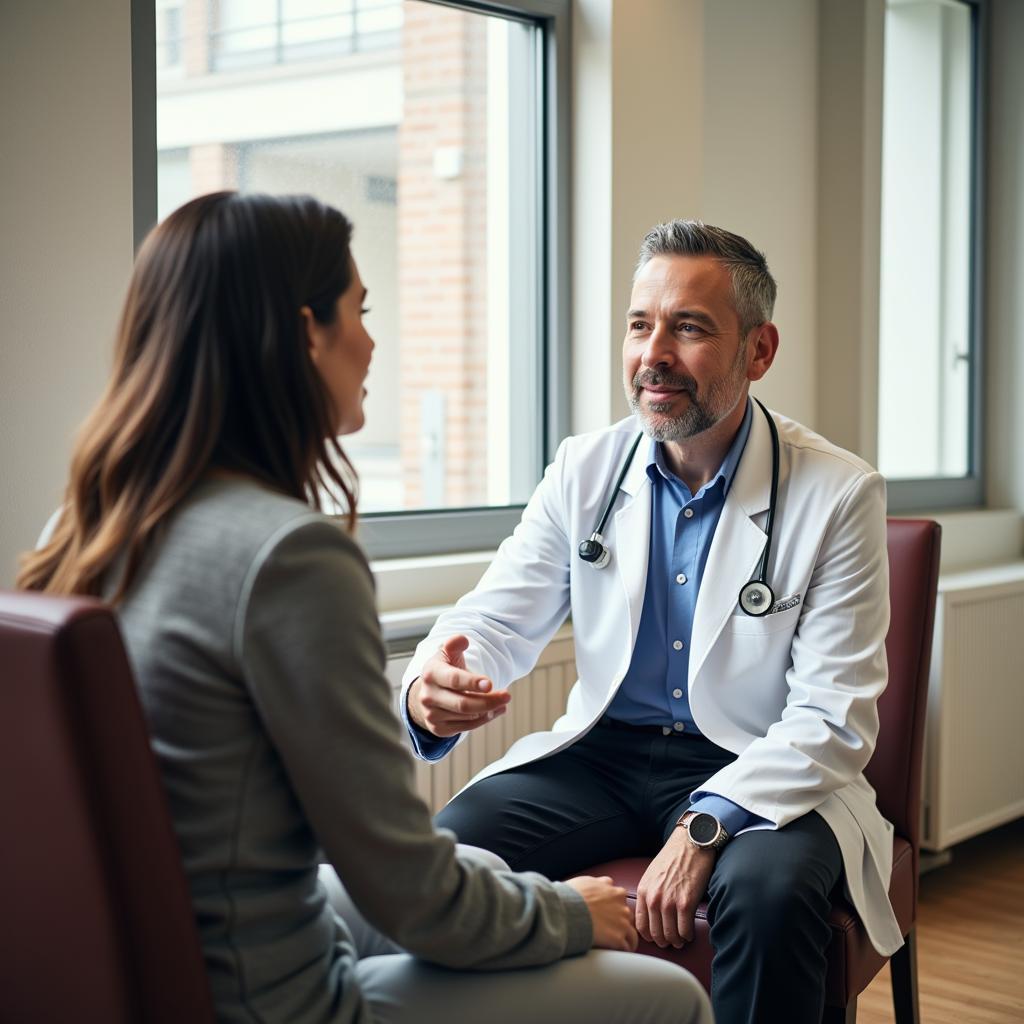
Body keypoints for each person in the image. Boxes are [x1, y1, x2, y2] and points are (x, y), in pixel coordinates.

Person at [17, 193, 712, 1024]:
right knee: (666, 998)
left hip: (150, 952)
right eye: (361, 309)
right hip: (271, 997)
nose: (374, 341)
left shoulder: (84, 530)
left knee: (437, 873)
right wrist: (567, 913)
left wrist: (523, 896)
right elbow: (410, 891)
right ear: (307, 332)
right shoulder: (289, 557)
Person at [402, 220, 904, 1024]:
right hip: (599, 758)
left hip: (757, 762)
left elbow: (831, 717)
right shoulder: (585, 467)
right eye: (641, 325)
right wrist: (434, 683)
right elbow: (492, 618)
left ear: (759, 351)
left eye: (690, 327)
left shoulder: (838, 493)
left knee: (770, 895)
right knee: (455, 859)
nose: (653, 354)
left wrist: (707, 826)